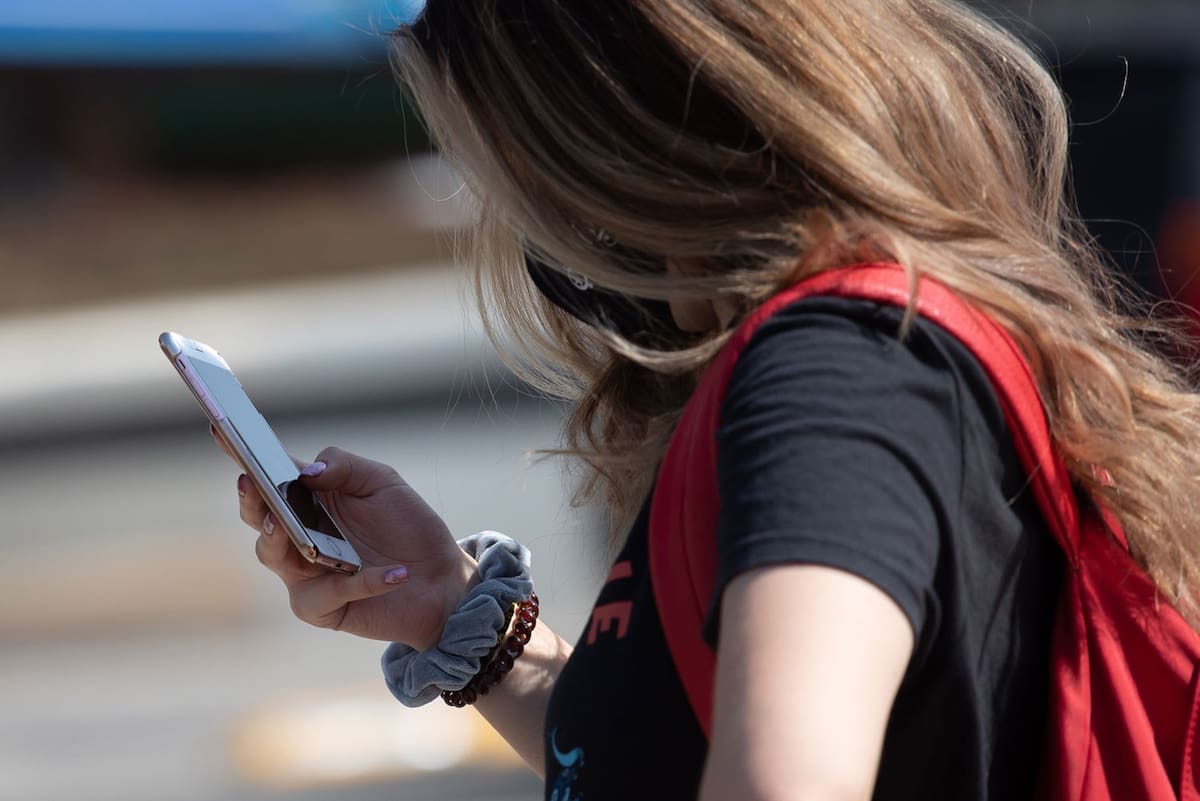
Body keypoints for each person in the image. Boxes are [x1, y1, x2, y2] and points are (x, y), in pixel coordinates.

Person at [222, 2, 1200, 800]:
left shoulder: (834, 374)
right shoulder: (843, 354)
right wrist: (453, 616)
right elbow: (682, 755)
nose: (515, 224)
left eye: (502, 172)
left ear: (603, 146)